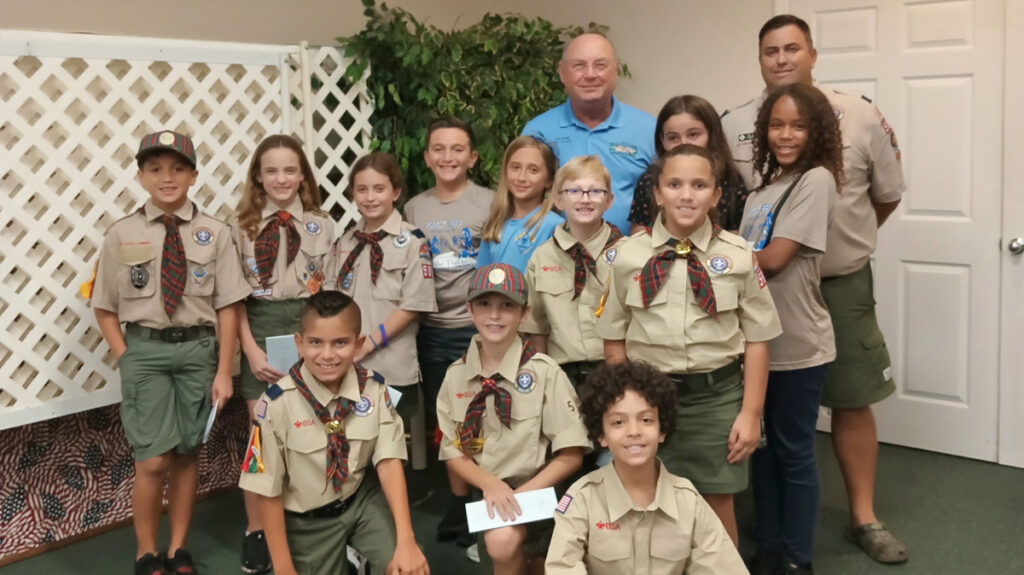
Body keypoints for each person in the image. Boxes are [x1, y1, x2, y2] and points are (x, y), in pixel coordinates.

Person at [721, 14, 908, 563]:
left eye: (792, 49)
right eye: (770, 51)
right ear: (759, 59)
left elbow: (888, 194)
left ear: (812, 54)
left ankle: (863, 519)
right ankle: (772, 529)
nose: (781, 59)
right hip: (759, 294)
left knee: (848, 399)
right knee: (770, 418)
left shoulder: (858, 114)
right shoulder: (739, 123)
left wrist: (834, 240)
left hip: (836, 283)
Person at [596, 144, 782, 545]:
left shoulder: (739, 256)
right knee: (644, 505)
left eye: (699, 185)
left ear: (716, 195)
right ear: (658, 193)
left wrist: (750, 414)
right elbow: (614, 339)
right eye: (674, 184)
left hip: (715, 401)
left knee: (716, 507)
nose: (686, 194)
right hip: (647, 402)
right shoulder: (627, 257)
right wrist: (622, 409)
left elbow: (758, 340)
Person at [90, 131, 250, 575]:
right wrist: (126, 356)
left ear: (194, 176)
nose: (167, 178)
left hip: (198, 352)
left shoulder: (214, 233)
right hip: (147, 351)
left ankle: (179, 549)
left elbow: (229, 306)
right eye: (156, 169)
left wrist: (224, 371)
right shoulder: (121, 233)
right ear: (141, 176)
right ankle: (145, 552)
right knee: (152, 458)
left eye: (178, 168)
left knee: (185, 454)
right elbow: (103, 307)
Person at [237, 290, 429, 575]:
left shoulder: (373, 390)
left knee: (407, 569)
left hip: (360, 503)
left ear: (358, 344)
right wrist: (283, 568)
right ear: (299, 344)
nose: (327, 355)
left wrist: (407, 541)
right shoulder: (275, 405)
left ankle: (357, 557)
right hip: (307, 521)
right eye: (315, 342)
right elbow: (268, 491)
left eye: (340, 343)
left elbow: (389, 462)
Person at [737, 84, 843, 575]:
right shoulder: (761, 190)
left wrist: (714, 263)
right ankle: (772, 549)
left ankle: (798, 560)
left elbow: (774, 260)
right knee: (761, 452)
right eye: (776, 124)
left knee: (794, 452)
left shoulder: (815, 179)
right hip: (755, 346)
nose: (785, 134)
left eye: (798, 125)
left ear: (816, 130)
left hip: (798, 345)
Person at [436, 263, 590, 574]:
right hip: (491, 493)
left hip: (543, 493)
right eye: (484, 305)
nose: (495, 315)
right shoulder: (456, 377)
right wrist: (490, 484)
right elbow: (453, 452)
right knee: (501, 542)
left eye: (507, 306)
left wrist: (522, 495)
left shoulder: (544, 372)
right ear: (469, 310)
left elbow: (572, 454)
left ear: (523, 313)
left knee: (541, 561)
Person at [229, 134, 335, 574]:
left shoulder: (321, 223)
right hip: (260, 329)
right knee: (263, 439)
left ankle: (308, 520)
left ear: (303, 176)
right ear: (258, 175)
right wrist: (250, 351)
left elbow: (327, 290)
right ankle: (257, 529)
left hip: (309, 329)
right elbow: (231, 298)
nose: (281, 179)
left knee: (313, 430)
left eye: (290, 170)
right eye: (271, 170)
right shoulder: (240, 225)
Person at [545, 361, 748, 574]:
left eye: (646, 420)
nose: (634, 431)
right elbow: (563, 567)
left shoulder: (688, 501)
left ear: (662, 430)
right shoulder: (582, 499)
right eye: (618, 422)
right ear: (601, 435)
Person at [402, 117, 494, 548]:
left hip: (478, 330)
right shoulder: (415, 208)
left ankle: (484, 497)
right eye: (438, 149)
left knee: (488, 417)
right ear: (426, 157)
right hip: (433, 331)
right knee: (449, 420)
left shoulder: (491, 203)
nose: (448, 157)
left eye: (458, 149)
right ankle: (459, 502)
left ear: (472, 157)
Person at [324, 151, 438, 471]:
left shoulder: (413, 242)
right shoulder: (345, 243)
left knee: (390, 444)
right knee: (345, 435)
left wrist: (368, 345)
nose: (370, 197)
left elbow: (413, 306)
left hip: (391, 364)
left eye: (379, 189)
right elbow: (330, 301)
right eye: (362, 190)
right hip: (346, 364)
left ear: (396, 192)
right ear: (353, 194)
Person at [522, 33, 655, 235]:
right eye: (579, 65)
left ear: (615, 70)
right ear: (562, 72)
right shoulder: (538, 131)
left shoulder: (648, 129)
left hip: (630, 258)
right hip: (556, 258)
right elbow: (520, 200)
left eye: (600, 65)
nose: (590, 74)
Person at [521, 155, 622, 388]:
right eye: (574, 191)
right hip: (562, 377)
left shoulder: (627, 254)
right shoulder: (542, 258)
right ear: (558, 199)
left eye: (595, 191)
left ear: (609, 200)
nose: (585, 199)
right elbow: (537, 327)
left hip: (615, 374)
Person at [628, 95, 749, 233]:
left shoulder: (730, 179)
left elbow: (737, 234)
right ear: (662, 140)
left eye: (693, 135)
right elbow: (639, 230)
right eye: (673, 138)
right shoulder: (650, 179)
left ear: (711, 134)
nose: (684, 143)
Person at [477, 136, 563, 272]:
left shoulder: (554, 226)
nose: (522, 177)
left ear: (549, 180)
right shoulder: (494, 224)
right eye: (515, 167)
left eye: (533, 170)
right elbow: (481, 279)